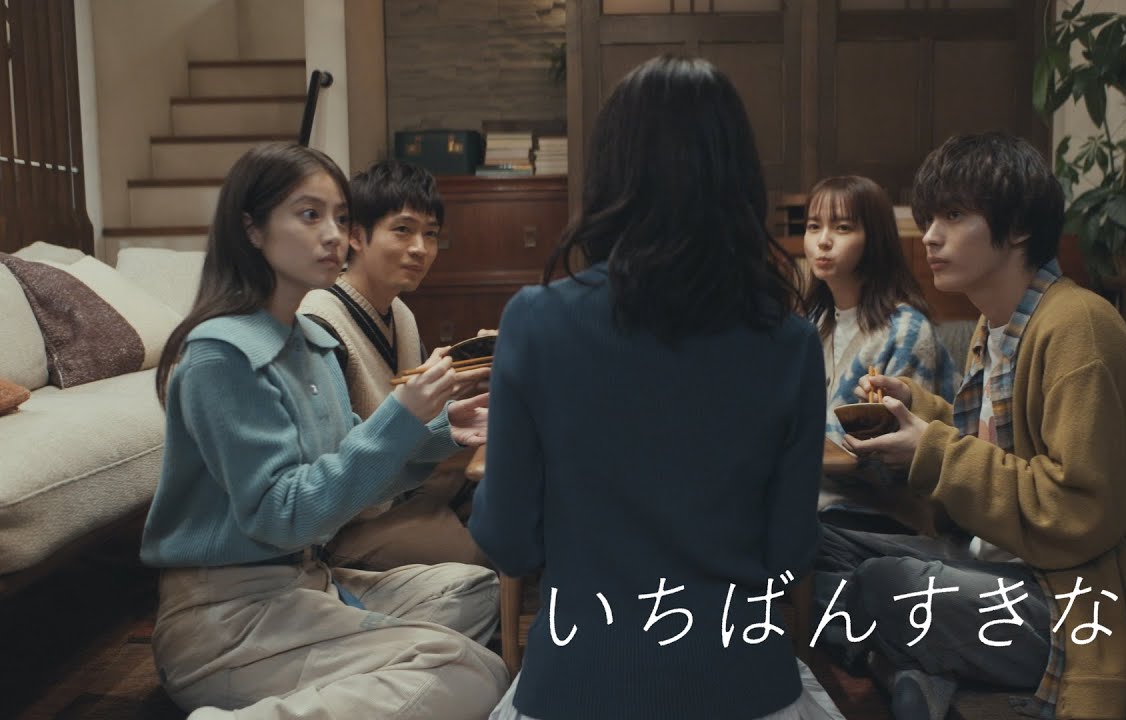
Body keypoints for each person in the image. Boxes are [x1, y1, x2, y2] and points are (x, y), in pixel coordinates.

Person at [468, 55, 843, 720]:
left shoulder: (535, 322)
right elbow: (791, 555)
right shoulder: (790, 344)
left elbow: (508, 542)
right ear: (740, 179)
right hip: (743, 685)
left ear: (610, 174)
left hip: (576, 685)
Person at [814, 132, 1126, 720]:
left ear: (1018, 230)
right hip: (993, 560)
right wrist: (921, 411)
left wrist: (932, 451)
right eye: (931, 218)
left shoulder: (1078, 329)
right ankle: (918, 663)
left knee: (885, 583)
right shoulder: (998, 326)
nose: (930, 235)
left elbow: (1080, 514)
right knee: (811, 540)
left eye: (954, 216)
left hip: (1073, 601)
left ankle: (908, 662)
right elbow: (994, 450)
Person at [139, 142, 508, 719]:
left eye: (340, 217)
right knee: (468, 671)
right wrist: (402, 417)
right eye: (310, 215)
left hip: (311, 583)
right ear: (252, 228)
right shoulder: (222, 355)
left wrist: (439, 431)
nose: (334, 235)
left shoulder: (309, 343)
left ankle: (337, 678)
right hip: (226, 619)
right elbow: (284, 515)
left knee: (479, 592)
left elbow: (353, 475)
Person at [300, 158, 488, 569]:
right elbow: (329, 463)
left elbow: (417, 429)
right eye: (403, 230)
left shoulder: (400, 314)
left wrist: (454, 401)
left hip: (401, 489)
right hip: (348, 519)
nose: (420, 248)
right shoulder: (319, 321)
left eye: (430, 234)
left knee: (508, 502)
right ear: (356, 236)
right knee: (480, 561)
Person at [801, 175, 956, 512]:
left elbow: (900, 464)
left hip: (872, 513)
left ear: (874, 238)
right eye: (813, 227)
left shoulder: (907, 331)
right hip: (806, 500)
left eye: (842, 228)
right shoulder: (809, 324)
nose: (823, 241)